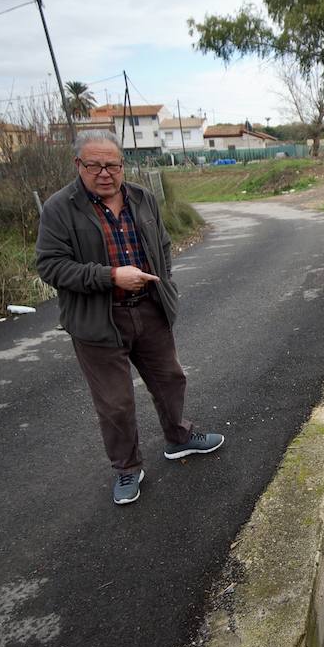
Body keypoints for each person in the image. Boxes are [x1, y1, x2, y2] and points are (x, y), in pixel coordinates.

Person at [36, 130, 223, 505]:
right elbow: (50, 266)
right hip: (98, 321)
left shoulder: (142, 198)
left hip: (150, 310)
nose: (105, 173)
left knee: (171, 379)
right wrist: (109, 277)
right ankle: (127, 468)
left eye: (113, 165)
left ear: (122, 165)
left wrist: (163, 283)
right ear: (78, 165)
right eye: (95, 165)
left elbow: (164, 245)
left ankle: (179, 438)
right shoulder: (60, 207)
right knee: (115, 402)